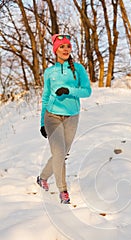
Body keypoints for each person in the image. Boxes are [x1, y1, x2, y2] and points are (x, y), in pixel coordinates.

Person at [37, 34, 92, 203]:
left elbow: (87, 91)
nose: (65, 49)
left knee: (62, 153)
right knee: (59, 152)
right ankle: (63, 191)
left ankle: (42, 178)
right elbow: (45, 96)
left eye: (68, 46)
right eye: (62, 46)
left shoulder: (78, 69)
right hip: (52, 116)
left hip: (72, 116)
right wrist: (42, 122)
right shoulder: (50, 72)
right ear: (56, 50)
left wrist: (69, 90)